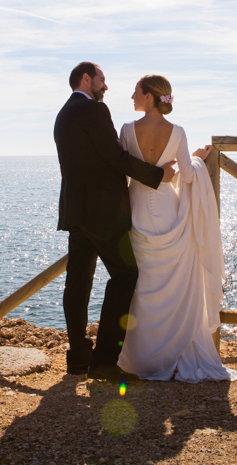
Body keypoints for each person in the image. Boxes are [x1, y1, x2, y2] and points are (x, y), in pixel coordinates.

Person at [54, 62, 175, 381]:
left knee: (77, 285)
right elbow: (115, 157)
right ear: (85, 79)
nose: (105, 87)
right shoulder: (94, 111)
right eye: (101, 80)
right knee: (125, 276)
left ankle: (78, 357)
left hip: (75, 212)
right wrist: (159, 175)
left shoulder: (63, 115)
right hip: (104, 213)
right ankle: (105, 360)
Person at [117, 75, 237, 382]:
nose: (132, 96)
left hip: (137, 213)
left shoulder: (127, 130)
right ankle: (177, 347)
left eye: (136, 92)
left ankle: (143, 357)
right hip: (169, 211)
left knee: (142, 286)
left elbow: (125, 171)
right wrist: (197, 159)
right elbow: (186, 176)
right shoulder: (178, 132)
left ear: (148, 97)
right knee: (174, 285)